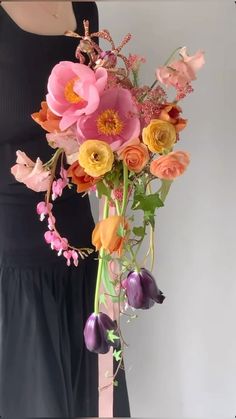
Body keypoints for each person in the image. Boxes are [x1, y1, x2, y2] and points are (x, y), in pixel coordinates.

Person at [0, 1, 131, 416]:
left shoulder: (84, 8)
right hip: (15, 246)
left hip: (82, 241)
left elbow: (98, 116)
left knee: (88, 397)